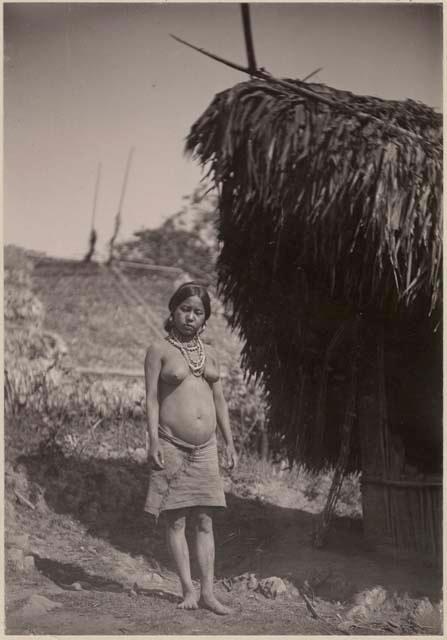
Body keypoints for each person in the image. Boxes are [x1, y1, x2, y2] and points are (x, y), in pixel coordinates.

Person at [144, 281, 238, 615]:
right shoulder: (159, 350)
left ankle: (209, 593)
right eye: (185, 309)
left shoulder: (210, 354)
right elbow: (152, 400)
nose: (190, 317)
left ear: (205, 319)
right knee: (176, 521)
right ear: (173, 310)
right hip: (172, 445)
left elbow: (220, 402)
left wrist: (229, 442)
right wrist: (153, 440)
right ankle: (187, 590)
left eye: (198, 312)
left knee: (206, 521)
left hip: (207, 448)